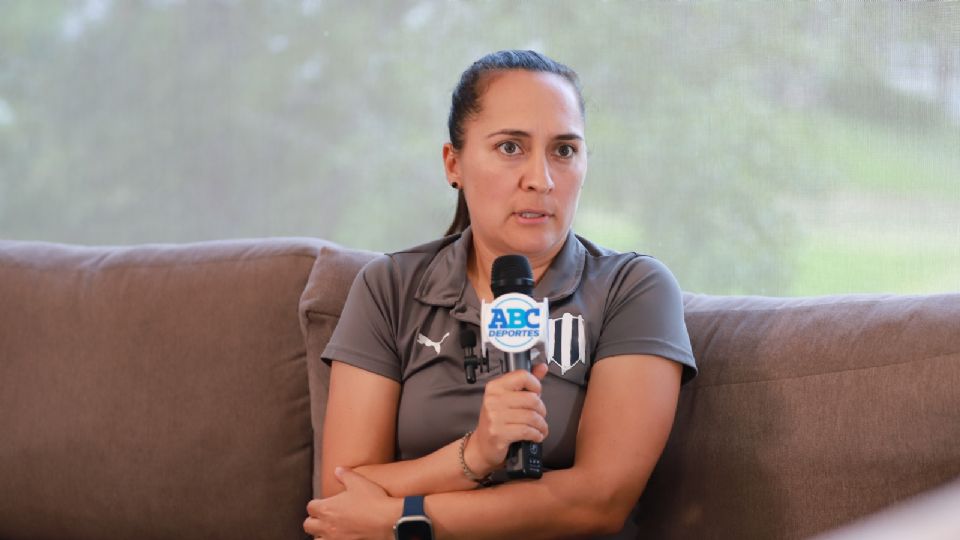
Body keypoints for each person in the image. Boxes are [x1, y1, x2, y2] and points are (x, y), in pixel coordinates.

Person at [303, 50, 697, 539]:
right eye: (511, 147)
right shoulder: (388, 287)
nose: (541, 179)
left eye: (564, 150)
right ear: (454, 163)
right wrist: (475, 454)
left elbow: (599, 501)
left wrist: (402, 519)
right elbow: (339, 501)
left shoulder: (633, 288)